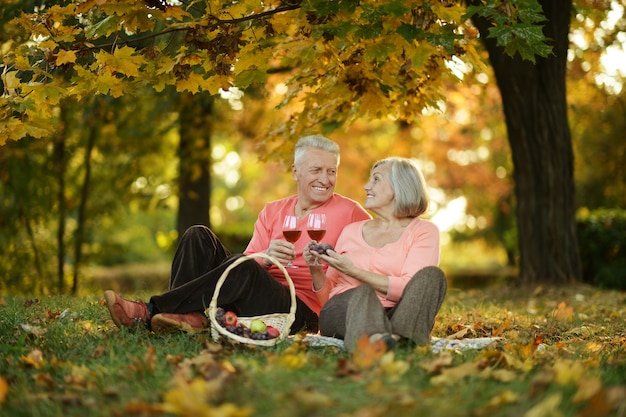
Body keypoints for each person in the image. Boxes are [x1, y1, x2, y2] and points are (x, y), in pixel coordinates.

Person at [104, 134, 371, 334]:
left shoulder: (350, 212)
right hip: (256, 293)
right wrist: (266, 257)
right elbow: (251, 259)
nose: (325, 179)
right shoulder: (273, 210)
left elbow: (378, 249)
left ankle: (150, 310)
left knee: (240, 266)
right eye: (316, 170)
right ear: (296, 172)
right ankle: (185, 318)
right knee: (198, 235)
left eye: (331, 171)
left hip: (301, 308)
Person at [303, 156, 447, 352]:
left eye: (376, 179)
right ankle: (386, 343)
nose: (366, 186)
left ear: (399, 186)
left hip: (398, 314)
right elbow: (327, 297)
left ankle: (392, 339)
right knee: (362, 294)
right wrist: (315, 269)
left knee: (432, 277)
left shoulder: (424, 231)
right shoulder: (351, 230)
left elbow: (409, 288)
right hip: (346, 311)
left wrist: (353, 271)